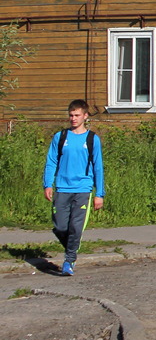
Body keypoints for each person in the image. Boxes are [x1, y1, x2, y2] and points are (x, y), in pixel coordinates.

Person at [42, 99, 105, 276]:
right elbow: (51, 161)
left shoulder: (92, 139)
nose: (73, 118)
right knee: (61, 227)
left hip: (83, 188)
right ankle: (72, 249)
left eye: (77, 115)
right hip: (62, 187)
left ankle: (69, 261)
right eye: (71, 115)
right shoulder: (60, 137)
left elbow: (98, 167)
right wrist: (48, 184)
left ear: (85, 116)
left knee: (76, 228)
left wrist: (99, 193)